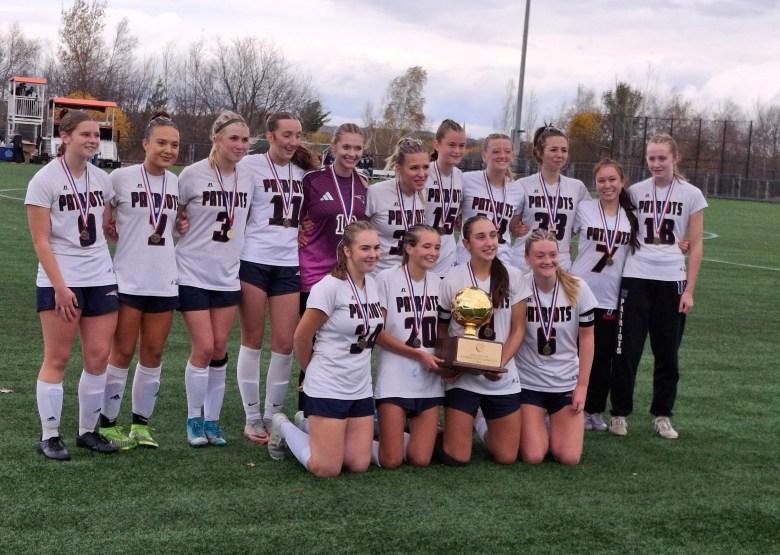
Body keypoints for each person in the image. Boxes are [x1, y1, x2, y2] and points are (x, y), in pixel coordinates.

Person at [25, 110, 118, 459]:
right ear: (65, 137)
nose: (93, 140)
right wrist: (60, 288)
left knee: (98, 357)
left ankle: (87, 432)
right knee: (58, 357)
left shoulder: (102, 179)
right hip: (61, 280)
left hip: (101, 277)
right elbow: (40, 242)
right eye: (85, 134)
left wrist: (111, 229)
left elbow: (103, 223)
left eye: (97, 134)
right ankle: (49, 435)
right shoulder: (44, 180)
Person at [609, 134, 707, 439]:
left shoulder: (692, 194)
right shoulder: (635, 192)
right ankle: (619, 413)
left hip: (671, 281)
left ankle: (663, 414)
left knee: (667, 354)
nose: (656, 163)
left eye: (662, 158)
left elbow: (697, 244)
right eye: (651, 158)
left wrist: (689, 290)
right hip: (636, 278)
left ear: (674, 159)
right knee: (626, 351)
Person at [268, 221, 384, 477]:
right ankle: (284, 426)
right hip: (328, 385)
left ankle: (309, 425)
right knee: (326, 467)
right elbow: (301, 336)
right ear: (347, 251)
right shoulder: (328, 287)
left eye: (376, 247)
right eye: (365, 248)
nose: (373, 254)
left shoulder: (374, 286)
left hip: (360, 387)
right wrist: (310, 372)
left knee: (357, 464)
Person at [98, 111, 180, 450]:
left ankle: (140, 425)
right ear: (145, 143)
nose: (168, 149)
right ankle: (108, 424)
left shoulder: (178, 182)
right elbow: (103, 212)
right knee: (122, 352)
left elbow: (179, 220)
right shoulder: (120, 177)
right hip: (129, 279)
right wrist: (107, 222)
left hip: (164, 280)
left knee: (154, 353)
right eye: (161, 142)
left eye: (174, 144)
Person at [236, 112, 314, 444]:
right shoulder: (249, 165)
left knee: (284, 345)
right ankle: (252, 416)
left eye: (297, 135)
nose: (292, 141)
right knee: (252, 342)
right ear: (269, 136)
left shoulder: (306, 173)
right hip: (253, 260)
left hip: (288, 264)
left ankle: (273, 415)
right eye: (286, 135)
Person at [174, 111, 252, 446]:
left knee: (220, 349)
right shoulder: (191, 175)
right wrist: (179, 223)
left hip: (227, 276)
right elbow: (170, 212)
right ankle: (193, 419)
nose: (239, 145)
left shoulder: (248, 178)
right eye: (233, 138)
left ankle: (213, 422)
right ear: (216, 139)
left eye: (245, 140)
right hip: (191, 271)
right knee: (203, 347)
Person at [437, 215, 528, 465]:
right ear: (466, 244)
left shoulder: (513, 275)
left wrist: (498, 363)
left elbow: (518, 328)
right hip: (465, 379)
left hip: (501, 375)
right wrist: (451, 364)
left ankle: (478, 421)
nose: (489, 242)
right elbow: (442, 330)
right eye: (480, 237)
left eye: (492, 235)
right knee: (456, 457)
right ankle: (459, 423)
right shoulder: (452, 280)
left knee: (507, 457)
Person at [516, 229, 597, 465]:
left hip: (565, 382)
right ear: (527, 258)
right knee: (533, 456)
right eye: (539, 256)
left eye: (552, 254)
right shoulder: (519, 287)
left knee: (569, 457)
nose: (547, 261)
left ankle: (551, 422)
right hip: (529, 382)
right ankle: (484, 420)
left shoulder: (577, 287)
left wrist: (582, 386)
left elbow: (587, 338)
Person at [570, 159, 638, 432]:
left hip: (610, 297)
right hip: (579, 291)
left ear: (622, 182)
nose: (607, 185)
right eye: (601, 180)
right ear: (594, 183)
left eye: (612, 180)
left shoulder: (630, 216)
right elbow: (559, 233)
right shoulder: (584, 208)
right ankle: (564, 406)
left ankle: (594, 410)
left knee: (601, 358)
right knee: (571, 354)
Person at [372, 225, 444, 468]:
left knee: (420, 460)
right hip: (395, 377)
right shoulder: (386, 278)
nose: (433, 252)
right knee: (390, 461)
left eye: (437, 247)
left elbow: (445, 332)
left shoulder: (439, 283)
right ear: (409, 247)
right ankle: (313, 427)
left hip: (429, 381)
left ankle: (385, 433)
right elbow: (377, 332)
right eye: (427, 246)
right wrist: (418, 354)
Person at [298, 123, 368, 313]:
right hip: (315, 271)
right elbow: (292, 213)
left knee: (342, 339)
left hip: (348, 274)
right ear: (334, 146)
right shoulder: (312, 179)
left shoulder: (363, 183)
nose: (352, 153)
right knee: (313, 339)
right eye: (346, 147)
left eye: (358, 148)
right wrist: (297, 230)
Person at [510, 125, 589, 272]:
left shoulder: (578, 188)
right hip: (524, 263)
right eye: (553, 149)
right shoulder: (522, 185)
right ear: (539, 153)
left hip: (559, 262)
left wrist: (563, 239)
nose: (560, 154)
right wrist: (516, 229)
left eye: (564, 150)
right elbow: (513, 228)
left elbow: (584, 222)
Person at [365, 137, 429, 276]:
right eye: (414, 168)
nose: (422, 174)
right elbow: (358, 233)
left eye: (425, 167)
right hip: (378, 278)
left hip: (410, 278)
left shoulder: (423, 193)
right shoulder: (376, 192)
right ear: (399, 169)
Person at [458, 134, 520, 266]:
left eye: (507, 151)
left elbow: (514, 228)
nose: (502, 155)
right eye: (496, 151)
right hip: (468, 259)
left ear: (512, 156)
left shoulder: (518, 190)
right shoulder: (466, 180)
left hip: (502, 260)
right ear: (484, 155)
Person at [424, 120, 466, 277]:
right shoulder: (424, 174)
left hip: (448, 260)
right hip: (423, 259)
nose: (457, 150)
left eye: (461, 145)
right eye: (451, 145)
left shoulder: (460, 176)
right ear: (437, 144)